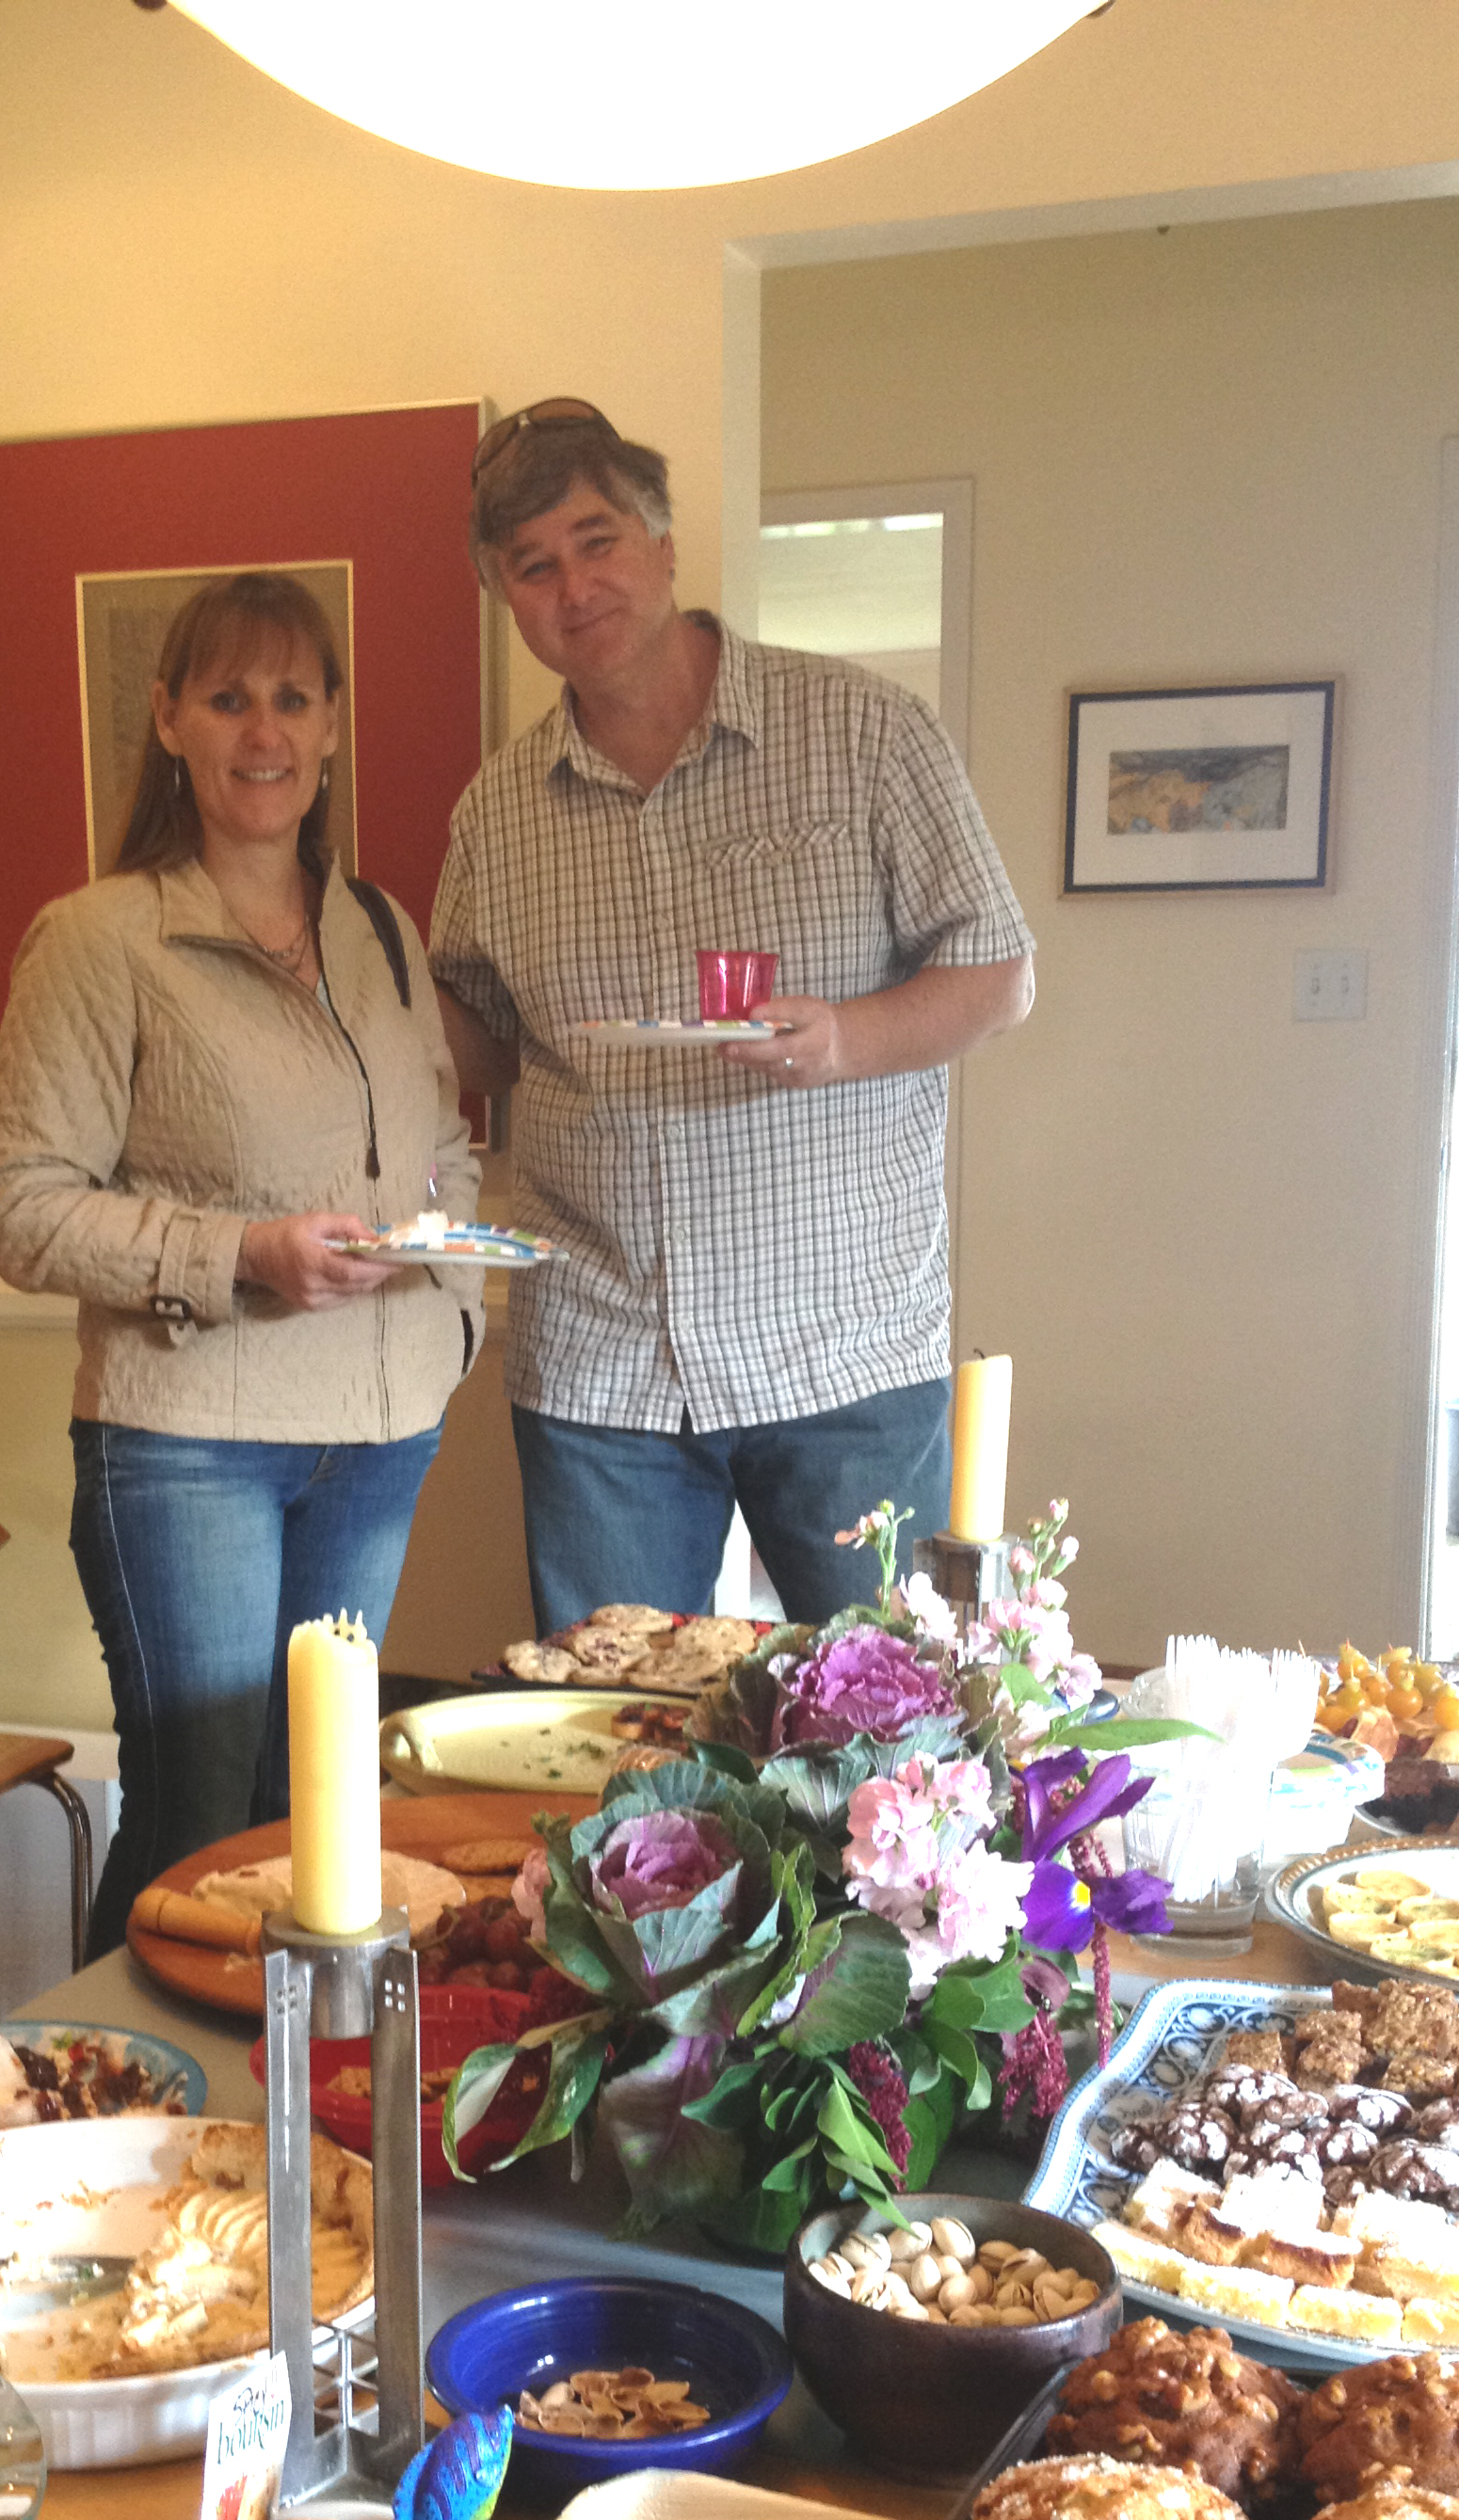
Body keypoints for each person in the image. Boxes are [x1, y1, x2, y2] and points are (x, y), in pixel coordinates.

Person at [429, 401, 1034, 1634]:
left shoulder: (863, 731)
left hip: (845, 1348)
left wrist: (844, 1040)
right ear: (505, 597)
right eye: (532, 566)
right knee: (610, 1724)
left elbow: (998, 973)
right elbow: (482, 1038)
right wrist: (348, 988)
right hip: (603, 1366)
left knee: (887, 1723)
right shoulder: (496, 813)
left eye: (596, 541)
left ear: (662, 545)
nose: (573, 587)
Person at [0, 571, 481, 1953]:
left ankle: (282, 2085)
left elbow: (441, 1145)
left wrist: (454, 1316)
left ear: (332, 726)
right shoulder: (101, 939)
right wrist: (241, 1253)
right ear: (170, 721)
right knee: (193, 1830)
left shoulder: (381, 931)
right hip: (189, 1448)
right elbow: (15, 1205)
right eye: (229, 698)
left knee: (317, 1831)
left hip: (377, 1444)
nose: (265, 731)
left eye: (293, 698)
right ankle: (111, 2071)